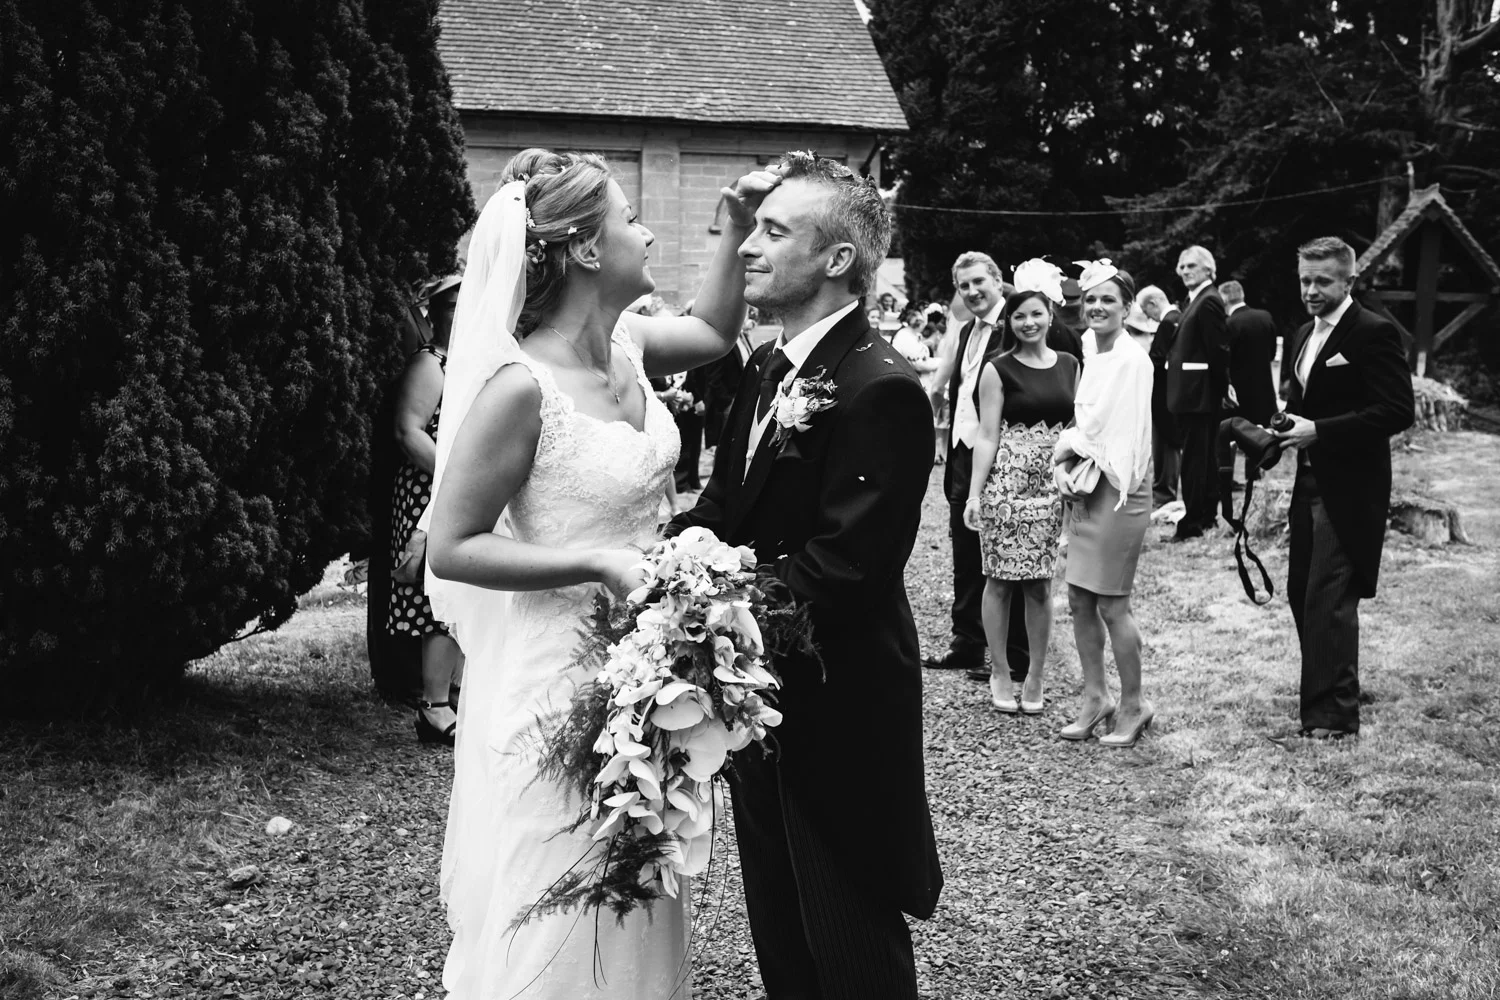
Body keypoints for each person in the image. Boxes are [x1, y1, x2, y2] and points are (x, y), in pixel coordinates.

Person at [425, 147, 774, 999]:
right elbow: (452, 545)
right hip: (556, 676)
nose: (647, 234)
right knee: (563, 885)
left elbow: (715, 331)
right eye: (630, 219)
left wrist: (735, 220)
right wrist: (593, 560)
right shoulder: (520, 387)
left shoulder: (630, 341)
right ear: (585, 247)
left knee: (639, 871)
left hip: (648, 665)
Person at [670, 150, 942, 1000]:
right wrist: (668, 564)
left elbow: (843, 568)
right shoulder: (765, 367)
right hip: (755, 698)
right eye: (752, 228)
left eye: (773, 232)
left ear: (836, 259)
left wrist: (709, 610)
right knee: (782, 936)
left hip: (836, 706)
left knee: (848, 937)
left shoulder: (881, 389)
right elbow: (725, 502)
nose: (748, 247)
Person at [1273, 237, 1414, 740]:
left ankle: (1333, 718)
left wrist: (1321, 431)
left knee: (1329, 596)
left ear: (1349, 281)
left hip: (1352, 485)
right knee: (1301, 591)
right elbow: (1304, 402)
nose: (1310, 291)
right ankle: (1331, 689)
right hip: (1308, 478)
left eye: (1322, 281)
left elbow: (1397, 410)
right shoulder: (1301, 334)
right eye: (1304, 280)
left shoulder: (1373, 332)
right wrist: (1279, 428)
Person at [963, 261, 1079, 715]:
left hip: (1052, 483)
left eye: (1036, 314)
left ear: (1050, 316)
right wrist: (975, 494)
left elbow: (1078, 426)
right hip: (1006, 485)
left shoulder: (1070, 365)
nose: (1028, 322)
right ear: (1009, 322)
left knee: (1039, 585)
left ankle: (1035, 675)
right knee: (998, 580)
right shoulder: (998, 368)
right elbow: (986, 435)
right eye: (1019, 316)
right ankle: (1000, 670)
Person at [1054, 261, 1155, 748]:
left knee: (1113, 603)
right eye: (1090, 299)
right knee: (1078, 598)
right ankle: (1096, 697)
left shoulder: (1133, 361)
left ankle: (1135, 704)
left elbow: (1116, 438)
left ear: (1127, 307)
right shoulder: (1093, 348)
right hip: (1088, 481)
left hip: (1120, 487)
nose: (1096, 307)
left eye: (1108, 299)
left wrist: (1064, 448)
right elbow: (1086, 424)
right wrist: (1064, 465)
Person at [924, 252, 1032, 687]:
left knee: (1009, 553)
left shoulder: (1019, 323)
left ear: (997, 281)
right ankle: (967, 640)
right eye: (963, 286)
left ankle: (1016, 653)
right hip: (963, 453)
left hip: (1003, 455)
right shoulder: (968, 329)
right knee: (965, 552)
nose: (971, 292)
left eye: (978, 282)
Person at [387, 276, 465, 745]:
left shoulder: (466, 361)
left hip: (457, 490)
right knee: (437, 596)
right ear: (433, 313)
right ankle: (433, 708)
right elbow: (408, 432)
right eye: (451, 304)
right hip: (427, 489)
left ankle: (452, 695)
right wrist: (457, 475)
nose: (461, 310)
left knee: (462, 592)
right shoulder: (429, 363)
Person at [1166, 245, 1230, 539]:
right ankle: (1203, 516)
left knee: (1195, 460)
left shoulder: (1209, 301)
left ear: (1208, 269)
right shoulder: (1196, 300)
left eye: (1191, 265)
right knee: (1200, 458)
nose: (1184, 271)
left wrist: (1221, 390)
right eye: (1181, 266)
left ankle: (1193, 521)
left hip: (1199, 395)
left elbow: (1218, 350)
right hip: (1192, 394)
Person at [1137, 285, 1182, 508]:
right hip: (1174, 392)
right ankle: (1165, 489)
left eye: (1147, 313)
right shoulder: (1181, 317)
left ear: (1154, 303)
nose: (1149, 318)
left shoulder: (1167, 323)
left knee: (1165, 443)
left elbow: (1156, 361)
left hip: (1163, 393)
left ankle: (1164, 492)